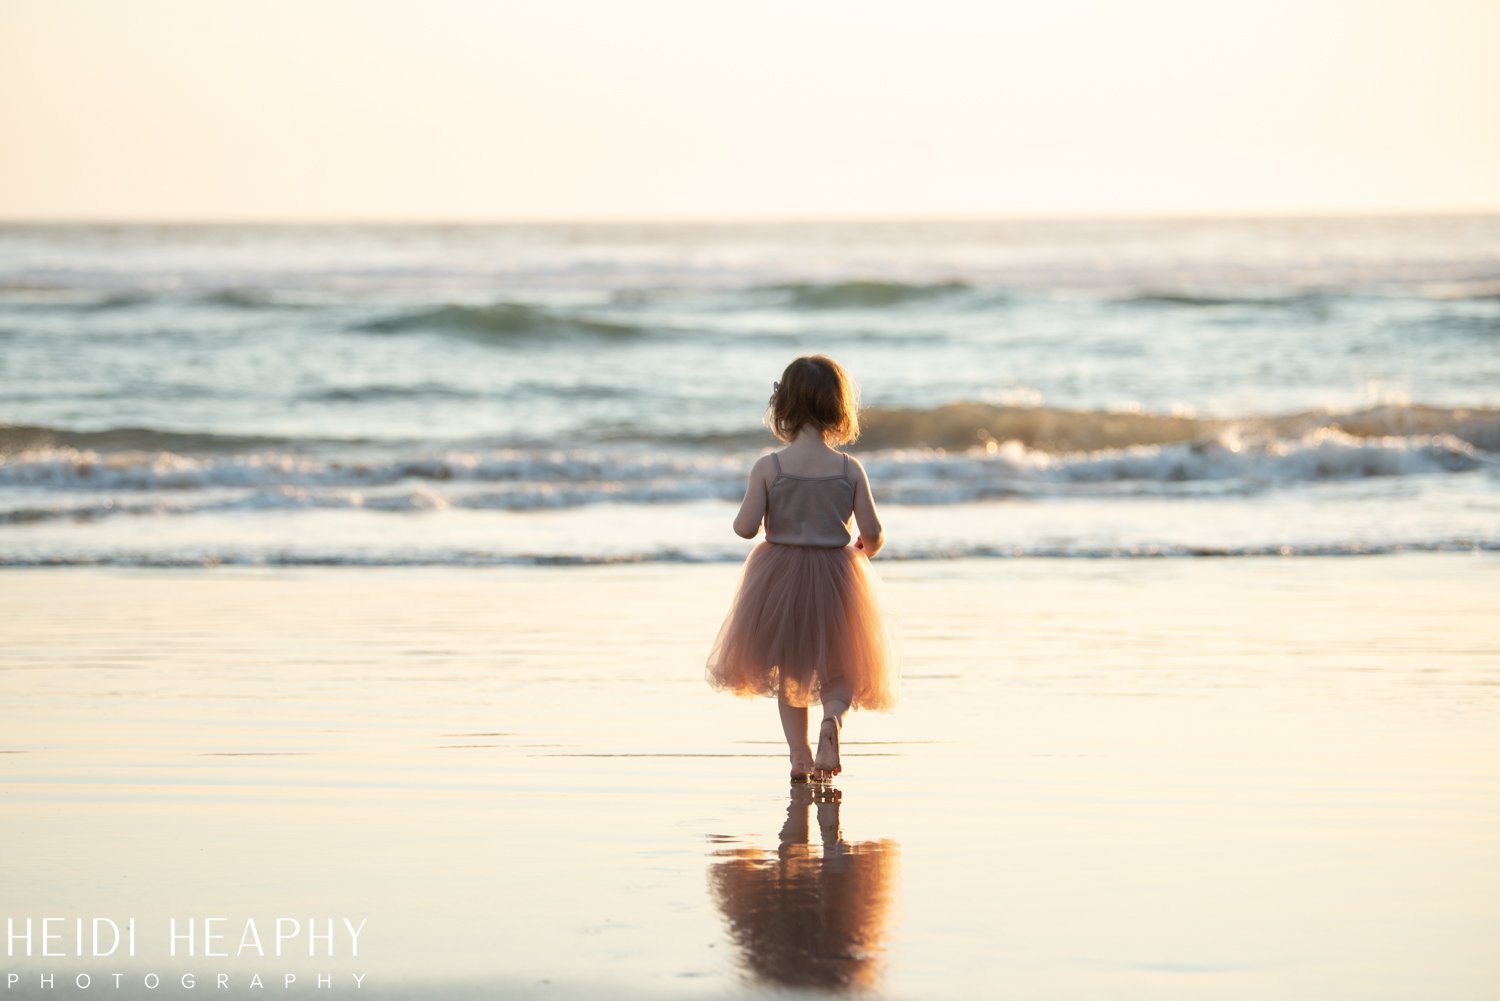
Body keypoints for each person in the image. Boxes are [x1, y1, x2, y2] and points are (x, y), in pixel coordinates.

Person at [705, 355, 899, 783]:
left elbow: (744, 528)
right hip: (838, 576)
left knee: (791, 673)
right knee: (842, 668)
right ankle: (833, 719)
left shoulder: (769, 467)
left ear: (784, 407)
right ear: (839, 408)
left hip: (780, 577)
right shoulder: (850, 470)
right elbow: (874, 532)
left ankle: (799, 756)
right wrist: (866, 546)